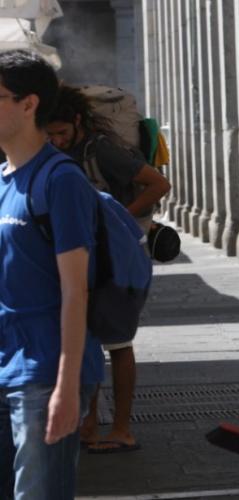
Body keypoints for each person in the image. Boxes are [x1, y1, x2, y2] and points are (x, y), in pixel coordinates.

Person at [0, 50, 104, 498]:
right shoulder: (3, 179)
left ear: (29, 104)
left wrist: (67, 388)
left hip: (43, 376)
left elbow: (75, 291)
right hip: (7, 366)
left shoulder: (61, 180)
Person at [45, 85, 171, 454]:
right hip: (81, 259)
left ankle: (121, 428)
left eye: (61, 132)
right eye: (49, 133)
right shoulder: (55, 155)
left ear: (77, 121)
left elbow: (158, 184)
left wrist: (116, 218)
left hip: (115, 261)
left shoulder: (101, 150)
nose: (55, 140)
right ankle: (88, 424)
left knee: (117, 343)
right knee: (84, 341)